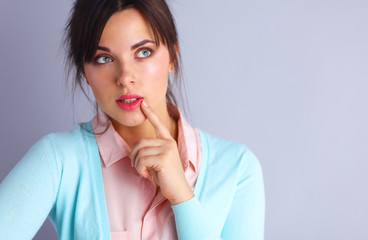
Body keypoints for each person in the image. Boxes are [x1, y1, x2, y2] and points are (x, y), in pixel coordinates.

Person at [0, 0, 265, 239]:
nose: (125, 76)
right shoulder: (59, 161)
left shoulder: (237, 168)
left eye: (143, 52)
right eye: (104, 58)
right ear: (86, 72)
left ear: (172, 55)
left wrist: (183, 197)